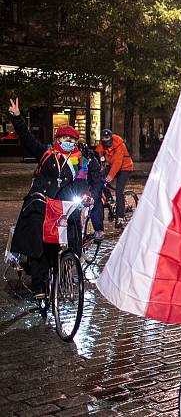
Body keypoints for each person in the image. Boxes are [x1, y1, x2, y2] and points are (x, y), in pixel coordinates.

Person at [7, 98, 102, 299]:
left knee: (74, 235)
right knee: (39, 241)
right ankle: (40, 285)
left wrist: (89, 198)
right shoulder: (47, 154)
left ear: (76, 142)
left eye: (72, 140)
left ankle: (68, 268)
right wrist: (17, 118)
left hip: (66, 206)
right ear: (57, 140)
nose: (68, 143)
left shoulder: (82, 161)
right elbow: (27, 138)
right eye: (64, 139)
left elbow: (87, 184)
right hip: (44, 204)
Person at [96, 128, 134, 228]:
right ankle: (109, 198)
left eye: (107, 137)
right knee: (99, 179)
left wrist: (110, 176)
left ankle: (120, 217)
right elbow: (96, 155)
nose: (105, 139)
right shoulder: (102, 145)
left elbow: (118, 162)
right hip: (112, 165)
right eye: (103, 138)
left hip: (125, 167)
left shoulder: (119, 145)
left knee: (119, 190)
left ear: (111, 137)